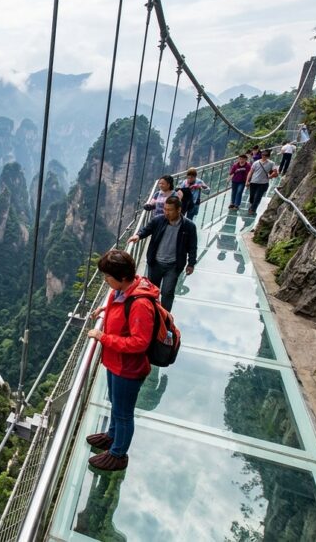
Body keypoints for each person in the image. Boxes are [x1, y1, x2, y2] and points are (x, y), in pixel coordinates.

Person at [84, 249, 157, 471]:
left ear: (123, 277)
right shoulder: (121, 291)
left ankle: (118, 454)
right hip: (115, 362)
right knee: (116, 405)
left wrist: (103, 337)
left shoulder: (140, 304)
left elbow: (139, 343)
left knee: (124, 413)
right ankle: (111, 436)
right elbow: (120, 308)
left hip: (129, 368)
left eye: (108, 276)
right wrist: (105, 309)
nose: (105, 280)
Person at [128, 196, 197, 311]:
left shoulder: (188, 226)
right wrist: (138, 236)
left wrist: (191, 263)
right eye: (165, 209)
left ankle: (165, 318)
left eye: (170, 210)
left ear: (179, 210)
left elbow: (192, 246)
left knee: (167, 292)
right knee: (152, 291)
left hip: (174, 265)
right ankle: (152, 313)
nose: (166, 212)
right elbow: (147, 230)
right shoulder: (158, 220)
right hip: (156, 263)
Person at [247, 149, 278, 215]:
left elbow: (275, 172)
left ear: (268, 156)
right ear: (261, 155)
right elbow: (251, 172)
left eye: (266, 155)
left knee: (258, 197)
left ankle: (253, 209)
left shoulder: (271, 163)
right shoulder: (256, 162)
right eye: (263, 155)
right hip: (254, 182)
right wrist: (247, 181)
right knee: (252, 196)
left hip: (263, 183)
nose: (264, 156)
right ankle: (252, 205)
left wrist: (270, 176)